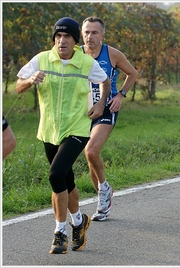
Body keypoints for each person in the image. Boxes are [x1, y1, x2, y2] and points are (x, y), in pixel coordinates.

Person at [15, 17, 110, 254]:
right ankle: (79, 222)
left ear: (74, 40)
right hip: (49, 130)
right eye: (58, 37)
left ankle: (60, 233)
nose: (61, 41)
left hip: (77, 129)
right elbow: (18, 85)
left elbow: (105, 82)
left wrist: (99, 107)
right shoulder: (42, 59)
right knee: (66, 181)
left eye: (67, 37)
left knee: (55, 174)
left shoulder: (86, 63)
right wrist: (29, 80)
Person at [81, 16, 138, 221]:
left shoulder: (112, 54)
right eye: (86, 32)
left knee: (91, 150)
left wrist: (121, 95)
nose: (90, 36)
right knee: (90, 160)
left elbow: (132, 73)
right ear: (82, 34)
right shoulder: (76, 54)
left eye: (94, 32)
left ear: (102, 35)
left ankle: (104, 192)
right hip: (83, 113)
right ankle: (103, 197)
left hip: (107, 109)